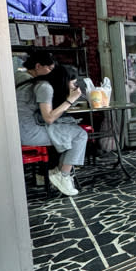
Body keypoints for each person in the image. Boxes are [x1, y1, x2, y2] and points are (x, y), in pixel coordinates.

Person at [16, 61, 87, 196]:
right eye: (72, 83)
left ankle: (58, 172)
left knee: (69, 127)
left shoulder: (39, 84)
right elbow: (49, 118)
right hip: (29, 132)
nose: (74, 87)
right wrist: (70, 100)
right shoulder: (45, 88)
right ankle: (63, 175)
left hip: (22, 128)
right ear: (63, 81)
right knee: (80, 134)